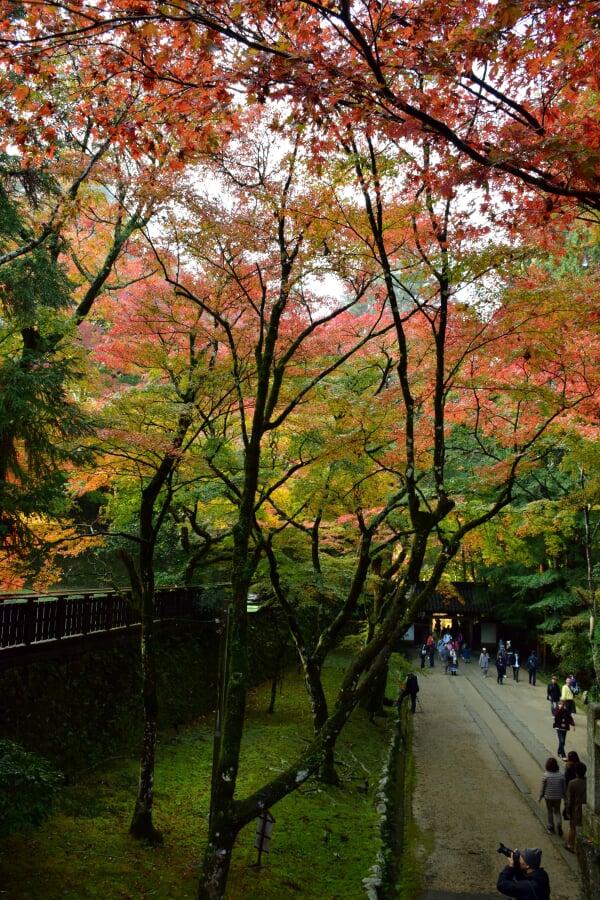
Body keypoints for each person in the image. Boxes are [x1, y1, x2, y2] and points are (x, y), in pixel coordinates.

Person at [538, 757, 565, 835]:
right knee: (557, 811)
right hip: (558, 797)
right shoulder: (561, 775)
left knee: (550, 811)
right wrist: (565, 798)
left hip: (548, 796)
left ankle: (551, 826)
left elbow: (543, 788)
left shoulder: (546, 775)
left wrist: (540, 797)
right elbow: (564, 788)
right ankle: (559, 824)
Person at [564, 761, 587, 853]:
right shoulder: (588, 782)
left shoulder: (572, 783)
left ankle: (571, 845)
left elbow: (569, 799)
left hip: (575, 809)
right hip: (586, 808)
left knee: (572, 828)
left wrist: (568, 811)